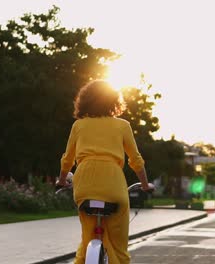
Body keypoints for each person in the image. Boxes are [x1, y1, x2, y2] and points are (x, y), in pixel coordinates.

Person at [57, 80, 150, 264]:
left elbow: (67, 159)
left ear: (84, 101)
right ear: (114, 101)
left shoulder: (79, 125)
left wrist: (61, 180)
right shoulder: (123, 125)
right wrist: (145, 185)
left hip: (84, 184)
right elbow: (136, 160)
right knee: (118, 246)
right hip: (113, 184)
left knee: (86, 238)